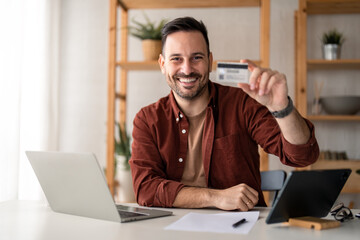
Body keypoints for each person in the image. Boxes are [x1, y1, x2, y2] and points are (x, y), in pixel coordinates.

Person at [129, 17, 319, 211]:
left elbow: (302, 156)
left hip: (241, 226)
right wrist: (214, 197)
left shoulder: (243, 103)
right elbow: (145, 189)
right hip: (172, 228)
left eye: (197, 57)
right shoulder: (147, 120)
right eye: (176, 58)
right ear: (162, 64)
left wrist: (282, 107)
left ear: (210, 61)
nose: (187, 69)